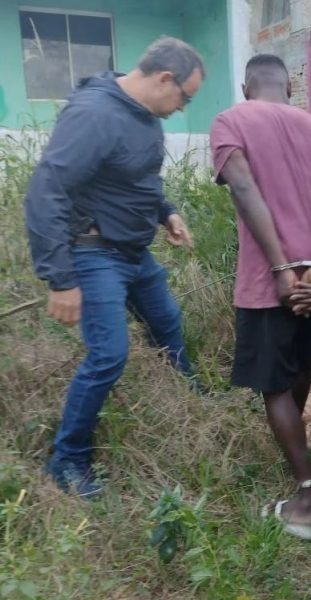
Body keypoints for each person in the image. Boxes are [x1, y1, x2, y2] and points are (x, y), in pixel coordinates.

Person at [24, 37, 205, 498]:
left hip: (133, 253)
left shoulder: (144, 117)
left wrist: (168, 213)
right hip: (93, 252)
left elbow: (141, 176)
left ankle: (187, 396)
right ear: (165, 78)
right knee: (108, 356)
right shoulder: (94, 115)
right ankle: (67, 460)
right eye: (185, 97)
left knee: (166, 322)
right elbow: (47, 192)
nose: (182, 108)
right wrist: (60, 279)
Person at [210, 54, 311, 539]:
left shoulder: (231, 121)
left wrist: (280, 269)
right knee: (298, 368)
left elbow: (246, 190)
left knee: (275, 386)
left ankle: (309, 497)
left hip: (266, 282)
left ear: (246, 84)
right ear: (289, 86)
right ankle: (299, 456)